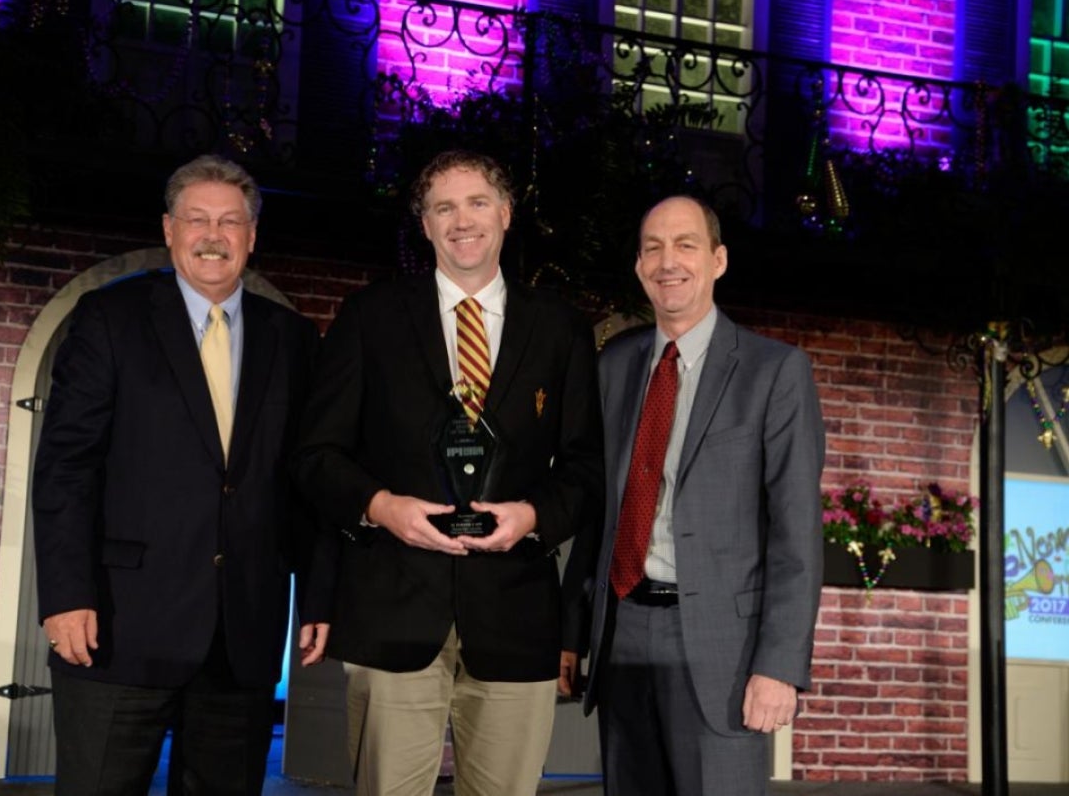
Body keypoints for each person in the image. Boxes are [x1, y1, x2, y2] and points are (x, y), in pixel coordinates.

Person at [293, 149, 603, 796]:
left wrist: (533, 517)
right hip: (392, 607)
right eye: (443, 208)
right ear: (426, 226)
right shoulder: (368, 318)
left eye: (477, 202)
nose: (462, 221)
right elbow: (316, 456)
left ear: (506, 214)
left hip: (516, 617)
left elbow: (585, 466)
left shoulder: (560, 329)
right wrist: (381, 506)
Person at [32, 154, 328, 796]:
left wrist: (320, 594)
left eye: (231, 220)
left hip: (241, 636)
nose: (213, 235)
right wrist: (64, 594)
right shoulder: (109, 318)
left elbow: (307, 479)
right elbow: (66, 467)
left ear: (253, 235)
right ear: (168, 229)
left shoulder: (295, 339)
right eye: (197, 219)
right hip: (116, 628)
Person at [578, 195, 826, 795]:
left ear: (717, 260)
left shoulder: (774, 372)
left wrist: (779, 667)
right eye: (653, 248)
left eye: (685, 244)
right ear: (638, 266)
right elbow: (597, 513)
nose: (669, 261)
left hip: (723, 648)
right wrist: (575, 633)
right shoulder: (615, 365)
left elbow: (797, 535)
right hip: (623, 632)